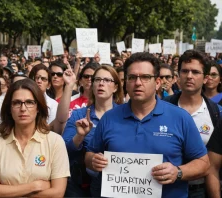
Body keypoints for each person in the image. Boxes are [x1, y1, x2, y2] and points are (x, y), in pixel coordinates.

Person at [85, 52, 210, 198]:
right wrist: (93, 161)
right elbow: (89, 155)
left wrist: (178, 172)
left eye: (145, 77)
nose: (138, 83)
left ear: (157, 82)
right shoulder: (109, 118)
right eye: (132, 77)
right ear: (125, 82)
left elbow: (204, 164)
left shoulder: (180, 118)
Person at [0, 78, 70, 197]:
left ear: (38, 107)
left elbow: (57, 193)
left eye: (29, 102)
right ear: (9, 108)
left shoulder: (55, 141)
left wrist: (8, 191)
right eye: (17, 103)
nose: (23, 108)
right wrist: (35, 186)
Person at [163, 50, 222, 197]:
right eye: (185, 71)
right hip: (164, 188)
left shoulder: (217, 113)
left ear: (205, 78)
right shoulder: (161, 107)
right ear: (178, 76)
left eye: (195, 72)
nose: (189, 76)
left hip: (200, 190)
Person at [62, 65, 123, 197]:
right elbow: (64, 151)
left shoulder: (125, 116)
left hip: (117, 185)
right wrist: (79, 136)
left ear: (116, 87)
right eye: (97, 79)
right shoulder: (79, 115)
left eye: (107, 80)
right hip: (80, 186)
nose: (101, 83)